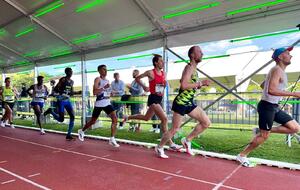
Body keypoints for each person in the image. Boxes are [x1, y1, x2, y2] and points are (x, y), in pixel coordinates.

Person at [236, 47, 300, 167]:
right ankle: (242, 155)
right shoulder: (277, 70)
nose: (291, 55)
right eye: (287, 53)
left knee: (295, 128)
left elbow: (263, 86)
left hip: (274, 107)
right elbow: (271, 90)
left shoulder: (278, 70)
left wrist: (273, 90)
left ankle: (261, 130)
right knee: (264, 136)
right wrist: (294, 94)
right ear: (280, 57)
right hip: (267, 107)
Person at [155, 46, 211, 158]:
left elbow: (184, 82)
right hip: (181, 102)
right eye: (199, 52)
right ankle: (160, 147)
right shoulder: (189, 67)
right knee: (175, 129)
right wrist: (200, 83)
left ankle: (187, 140)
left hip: (189, 102)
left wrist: (196, 86)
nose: (202, 53)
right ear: (192, 55)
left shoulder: (193, 69)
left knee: (206, 123)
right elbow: (184, 85)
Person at [122, 54, 181, 154]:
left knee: (146, 118)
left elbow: (163, 85)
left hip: (159, 98)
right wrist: (144, 87)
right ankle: (170, 143)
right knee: (164, 119)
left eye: (163, 61)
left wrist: (165, 85)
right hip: (153, 99)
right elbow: (137, 78)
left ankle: (128, 117)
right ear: (156, 63)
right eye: (161, 61)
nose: (163, 63)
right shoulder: (150, 72)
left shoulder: (164, 73)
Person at [78, 65, 119, 147]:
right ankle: (82, 131)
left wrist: (112, 93)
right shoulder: (97, 79)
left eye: (106, 69)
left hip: (107, 103)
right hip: (99, 104)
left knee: (115, 119)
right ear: (99, 71)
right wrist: (104, 88)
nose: (105, 71)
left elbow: (107, 92)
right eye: (103, 69)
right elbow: (95, 92)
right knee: (93, 121)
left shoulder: (107, 80)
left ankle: (112, 138)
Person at [44, 68, 81, 140]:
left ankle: (68, 135)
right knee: (61, 119)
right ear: (66, 72)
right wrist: (61, 92)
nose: (71, 73)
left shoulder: (72, 82)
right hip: (61, 100)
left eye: (71, 71)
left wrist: (78, 92)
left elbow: (71, 92)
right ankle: (51, 111)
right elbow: (56, 89)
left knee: (72, 116)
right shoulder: (63, 79)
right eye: (69, 71)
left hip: (67, 100)